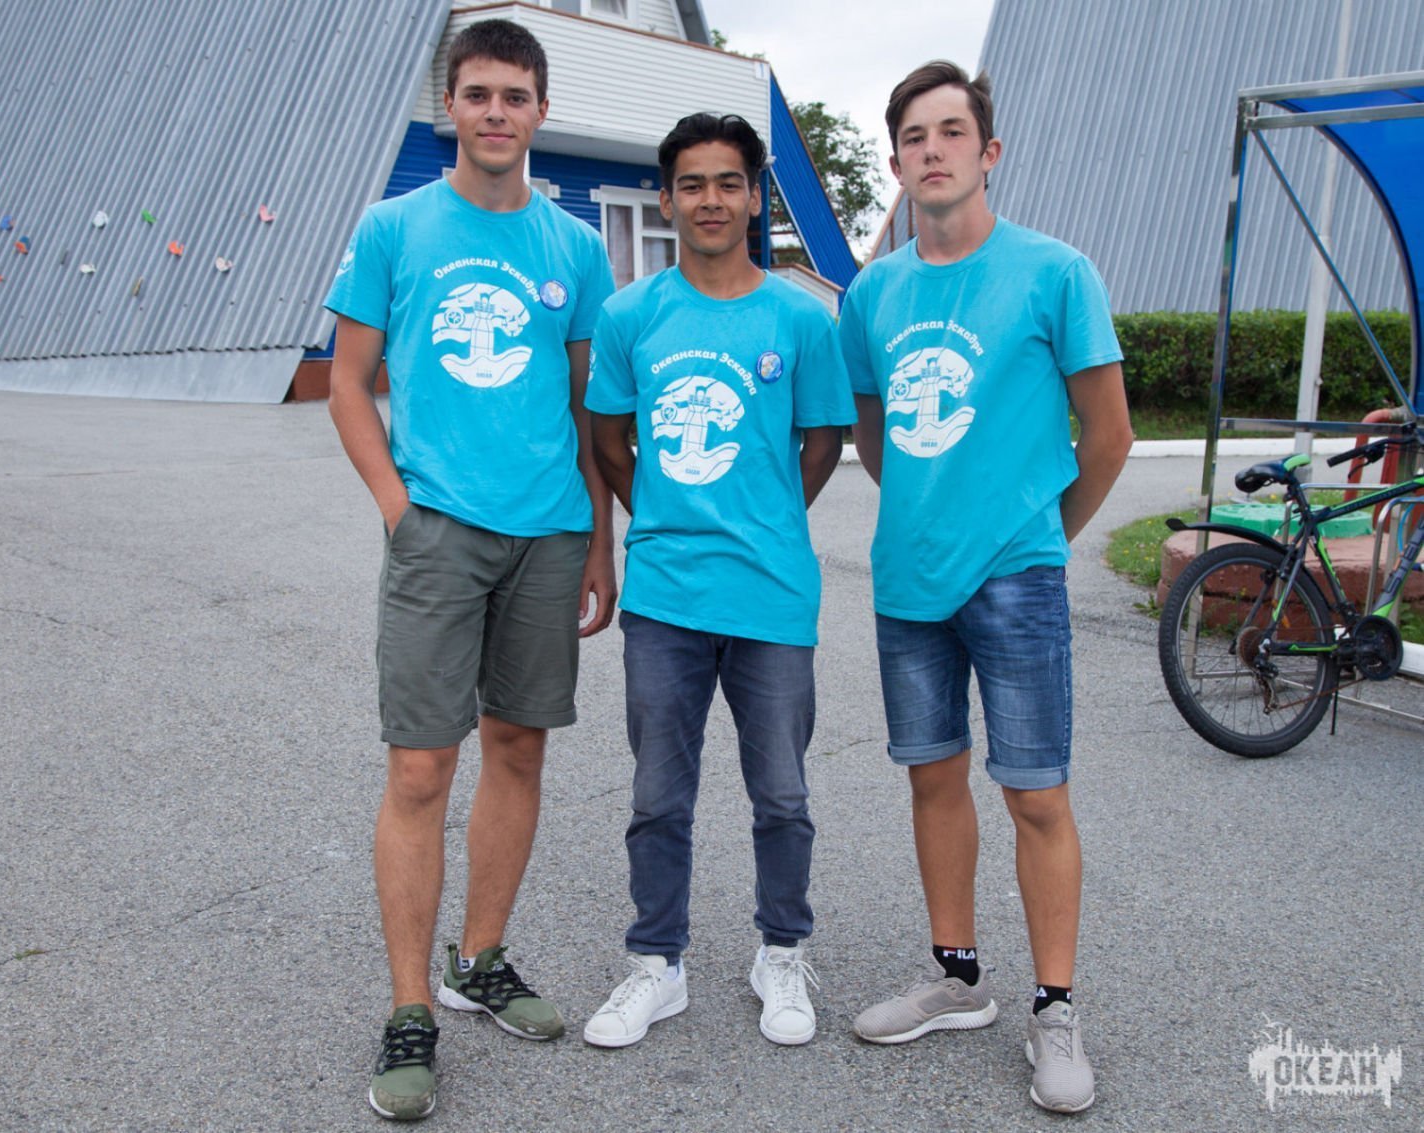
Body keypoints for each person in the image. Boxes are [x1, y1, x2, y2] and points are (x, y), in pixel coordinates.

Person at [322, 18, 617, 1123]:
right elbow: (347, 382)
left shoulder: (574, 249)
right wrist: (399, 511)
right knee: (418, 769)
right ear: (449, 105)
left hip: (548, 536)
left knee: (518, 747)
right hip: (437, 531)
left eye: (515, 96)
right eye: (479, 94)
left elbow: (588, 408)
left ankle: (479, 957)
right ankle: (411, 1008)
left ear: (541, 110)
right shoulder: (394, 228)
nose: (497, 113)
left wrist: (598, 540)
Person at [837, 60, 1132, 1113]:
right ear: (896, 163)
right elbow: (873, 434)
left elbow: (1109, 435)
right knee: (932, 780)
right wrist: (936, 512)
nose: (933, 150)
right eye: (913, 137)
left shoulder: (1055, 273)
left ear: (988, 150)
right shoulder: (871, 294)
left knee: (1036, 793)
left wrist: (1035, 535)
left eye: (951, 131)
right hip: (909, 582)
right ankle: (956, 977)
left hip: (1016, 579)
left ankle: (1055, 1007)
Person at [581, 113, 853, 1050]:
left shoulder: (799, 319)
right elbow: (606, 438)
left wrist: (768, 514)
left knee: (782, 794)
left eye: (729, 182)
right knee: (659, 795)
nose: (710, 199)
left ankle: (781, 950)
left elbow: (824, 440)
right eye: (692, 183)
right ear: (666, 198)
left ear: (753, 198)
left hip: (772, 595)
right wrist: (659, 509)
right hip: (666, 596)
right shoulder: (631, 316)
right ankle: (657, 963)